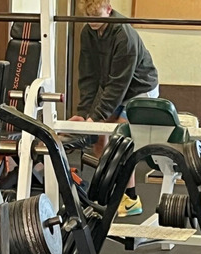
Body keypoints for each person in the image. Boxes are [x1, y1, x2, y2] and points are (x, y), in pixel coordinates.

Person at [70, 0, 158, 218]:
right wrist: (83, 114)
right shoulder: (88, 32)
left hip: (139, 89)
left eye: (97, 17)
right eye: (88, 18)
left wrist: (96, 117)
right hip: (114, 88)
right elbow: (88, 77)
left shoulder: (124, 35)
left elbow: (119, 84)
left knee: (119, 139)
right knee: (100, 138)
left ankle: (131, 198)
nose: (92, 22)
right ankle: (111, 190)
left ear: (109, 10)